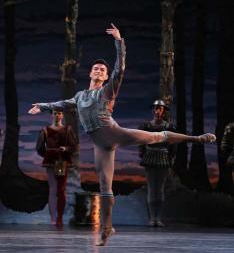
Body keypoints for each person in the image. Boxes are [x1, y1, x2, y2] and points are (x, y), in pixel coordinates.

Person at [28, 23, 216, 245]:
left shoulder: (107, 90)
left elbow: (120, 69)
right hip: (101, 144)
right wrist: (41, 105)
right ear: (90, 72)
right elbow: (62, 103)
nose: (98, 70)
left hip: (114, 132)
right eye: (95, 68)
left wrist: (119, 42)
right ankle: (107, 229)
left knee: (157, 137)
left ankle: (196, 138)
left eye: (102, 70)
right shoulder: (80, 96)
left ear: (106, 77)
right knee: (104, 186)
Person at [138, 99, 177, 227]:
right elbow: (141, 142)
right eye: (156, 108)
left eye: (160, 108)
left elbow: (172, 145)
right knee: (151, 188)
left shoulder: (169, 127)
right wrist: (142, 154)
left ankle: (158, 218)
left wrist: (171, 157)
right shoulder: (146, 126)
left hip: (163, 158)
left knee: (159, 189)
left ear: (163, 111)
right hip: (150, 157)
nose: (157, 111)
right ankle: (152, 218)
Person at [36, 108, 77, 226]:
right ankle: (53, 218)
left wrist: (66, 149)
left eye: (59, 113)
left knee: (62, 189)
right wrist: (49, 154)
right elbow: (39, 148)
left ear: (62, 115)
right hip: (51, 161)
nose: (57, 115)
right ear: (51, 115)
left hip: (63, 161)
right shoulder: (45, 130)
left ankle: (59, 217)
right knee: (53, 189)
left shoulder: (68, 130)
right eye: (55, 113)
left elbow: (74, 146)